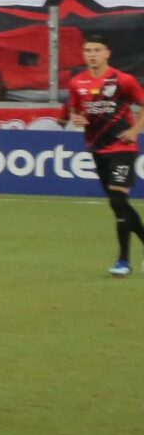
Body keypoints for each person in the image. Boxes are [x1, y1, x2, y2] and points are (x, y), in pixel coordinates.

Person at [63, 39, 144, 276]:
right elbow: (76, 109)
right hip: (98, 149)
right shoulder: (78, 83)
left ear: (107, 53)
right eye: (88, 50)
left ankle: (123, 261)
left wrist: (135, 130)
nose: (92, 55)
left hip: (123, 147)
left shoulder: (122, 80)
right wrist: (76, 118)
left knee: (117, 201)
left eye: (97, 50)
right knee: (120, 205)